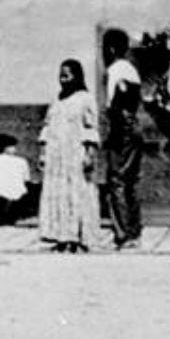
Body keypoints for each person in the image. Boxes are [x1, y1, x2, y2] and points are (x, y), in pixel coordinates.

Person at [39, 58, 102, 251]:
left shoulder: (85, 98)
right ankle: (61, 236)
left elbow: (91, 128)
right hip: (56, 156)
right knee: (58, 194)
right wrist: (43, 153)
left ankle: (77, 237)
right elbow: (47, 127)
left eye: (68, 74)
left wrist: (90, 154)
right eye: (61, 75)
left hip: (75, 153)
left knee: (77, 193)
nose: (63, 78)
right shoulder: (56, 99)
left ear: (77, 76)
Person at [101, 28, 144, 250]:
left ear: (109, 48)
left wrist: (111, 135)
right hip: (135, 126)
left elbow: (113, 105)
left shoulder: (114, 70)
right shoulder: (132, 70)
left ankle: (123, 233)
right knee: (131, 182)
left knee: (116, 181)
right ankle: (135, 230)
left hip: (121, 128)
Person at [0, 133, 35, 226]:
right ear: (6, 148)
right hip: (21, 199)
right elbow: (26, 181)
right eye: (13, 147)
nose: (16, 149)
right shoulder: (22, 161)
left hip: (0, 199)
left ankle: (4, 213)